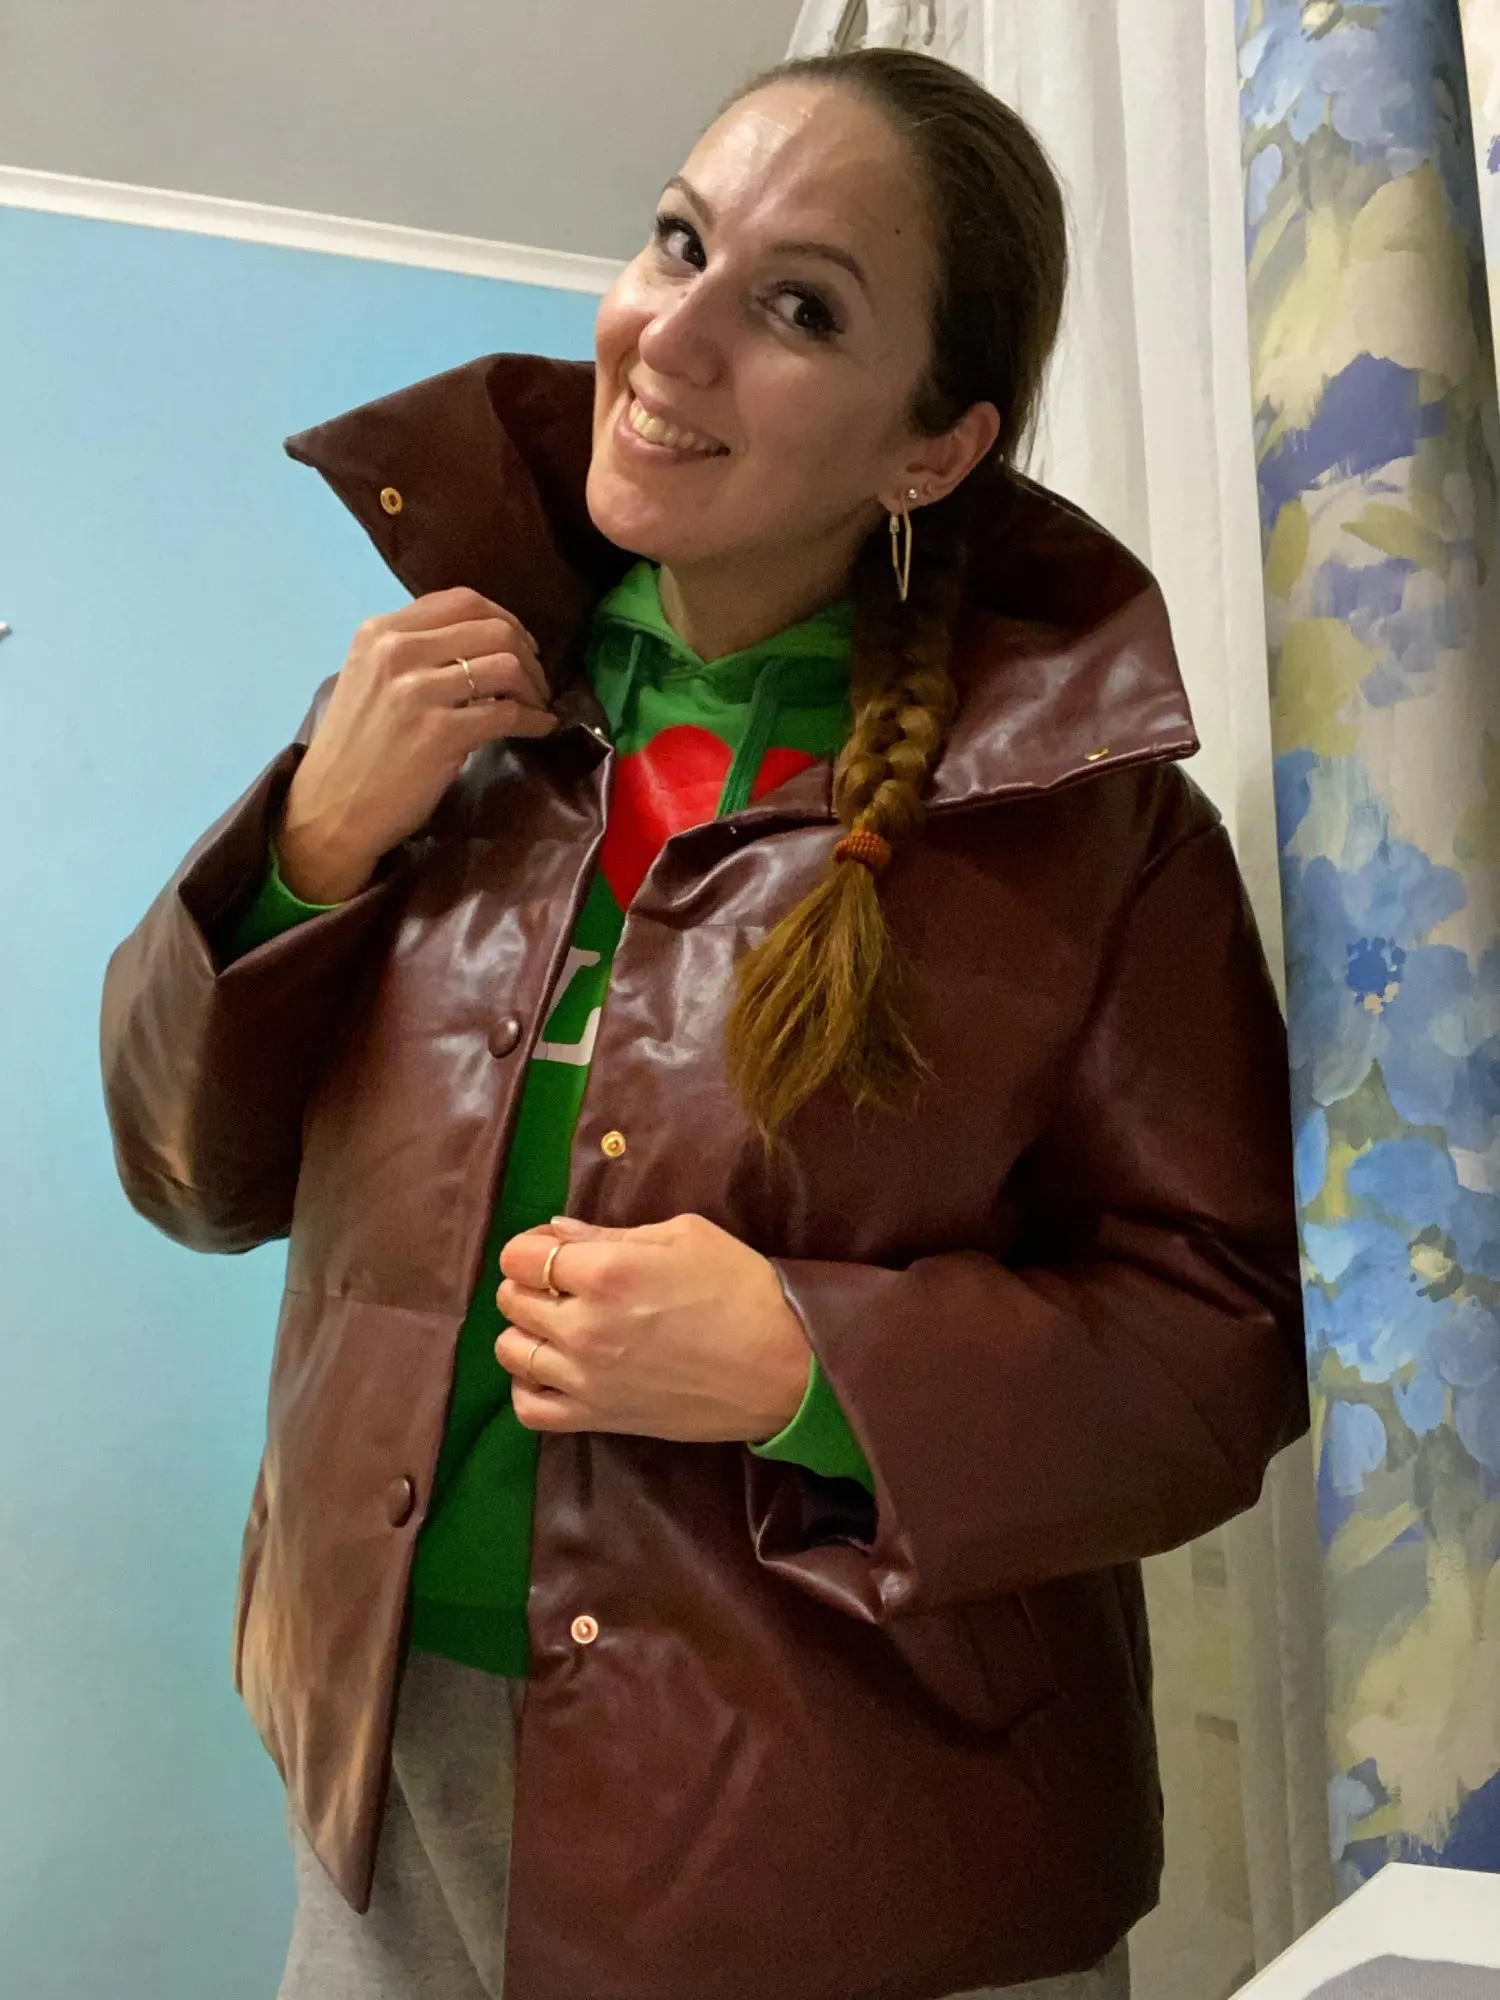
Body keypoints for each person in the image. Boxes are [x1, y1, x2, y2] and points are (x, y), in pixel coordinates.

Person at [100, 45, 1306, 2000]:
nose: (673, 335)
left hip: (865, 1844)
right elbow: (188, 1175)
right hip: (383, 1779)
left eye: (800, 307)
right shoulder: (441, 724)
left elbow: (1214, 1358)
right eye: (678, 242)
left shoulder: (1090, 831)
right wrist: (312, 846)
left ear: (934, 448)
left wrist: (813, 1363)